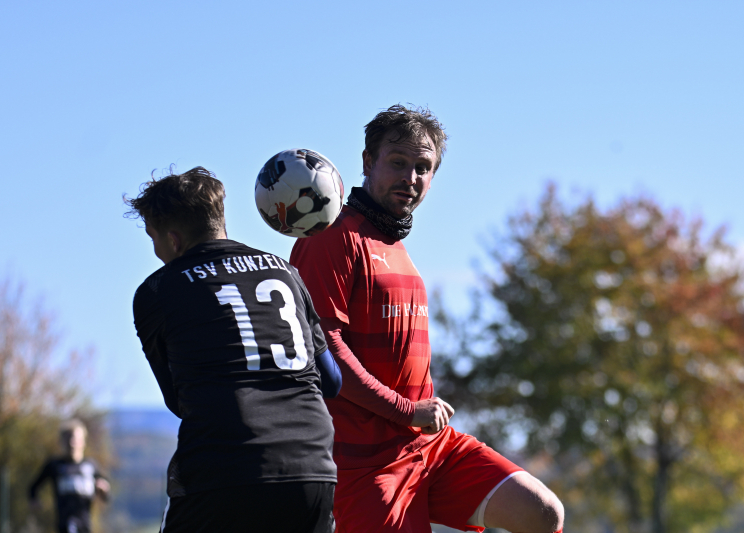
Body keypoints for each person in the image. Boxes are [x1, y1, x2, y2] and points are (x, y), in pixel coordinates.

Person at [290, 105, 565, 533]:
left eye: (423, 168)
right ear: (367, 161)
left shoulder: (393, 241)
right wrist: (407, 411)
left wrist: (415, 417)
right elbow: (325, 346)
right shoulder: (332, 236)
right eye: (398, 163)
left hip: (429, 444)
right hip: (365, 465)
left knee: (542, 512)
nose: (411, 178)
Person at [126, 167, 341, 533]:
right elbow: (332, 381)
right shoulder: (285, 271)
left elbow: (179, 401)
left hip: (223, 473)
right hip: (312, 470)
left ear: (174, 240)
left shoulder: (158, 290)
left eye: (153, 237)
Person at [29, 419, 110, 533]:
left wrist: (103, 490)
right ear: (62, 441)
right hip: (64, 524)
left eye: (75, 439)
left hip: (85, 525)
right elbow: (33, 486)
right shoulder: (55, 465)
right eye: (68, 439)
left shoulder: (91, 466)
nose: (72, 443)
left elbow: (106, 493)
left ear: (83, 441)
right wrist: (34, 500)